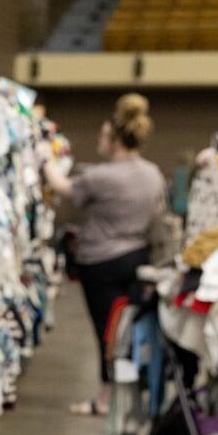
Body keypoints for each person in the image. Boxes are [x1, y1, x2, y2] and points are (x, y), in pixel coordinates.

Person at [44, 93, 165, 416]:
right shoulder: (152, 173)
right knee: (132, 328)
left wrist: (44, 160)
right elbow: (157, 214)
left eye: (102, 135)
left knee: (106, 332)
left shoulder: (101, 176)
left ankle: (104, 400)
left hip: (100, 262)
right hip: (137, 257)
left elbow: (63, 188)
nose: (99, 140)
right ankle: (134, 395)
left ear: (113, 140)